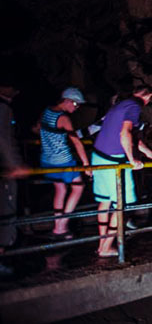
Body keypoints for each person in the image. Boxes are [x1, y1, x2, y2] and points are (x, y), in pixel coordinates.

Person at [92, 86, 152, 258]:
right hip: (114, 161)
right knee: (122, 204)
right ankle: (106, 247)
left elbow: (136, 141)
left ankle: (102, 244)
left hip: (98, 156)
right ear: (148, 96)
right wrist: (132, 160)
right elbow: (125, 133)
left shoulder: (120, 105)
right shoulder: (134, 107)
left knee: (104, 202)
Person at [39, 87, 91, 237]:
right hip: (63, 160)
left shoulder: (46, 111)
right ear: (67, 101)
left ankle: (58, 227)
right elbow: (77, 142)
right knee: (78, 187)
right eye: (75, 104)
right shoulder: (64, 118)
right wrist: (86, 164)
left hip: (47, 159)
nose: (77, 107)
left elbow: (38, 128)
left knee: (60, 190)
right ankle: (62, 226)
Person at [0, 80, 29, 277]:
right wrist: (14, 164)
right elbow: (4, 138)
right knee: (5, 210)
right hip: (4, 171)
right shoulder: (3, 109)